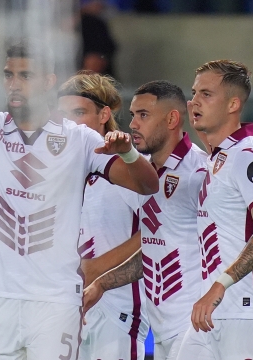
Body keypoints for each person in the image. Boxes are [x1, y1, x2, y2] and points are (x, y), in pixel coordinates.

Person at [0, 1, 159, 358]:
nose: (14, 85)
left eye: (25, 76)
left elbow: (147, 185)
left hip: (54, 300)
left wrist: (127, 152)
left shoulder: (80, 139)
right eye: (8, 75)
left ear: (48, 81)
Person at [82, 80, 209, 360]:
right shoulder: (143, 176)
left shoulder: (199, 172)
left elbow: (226, 244)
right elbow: (155, 246)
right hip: (162, 327)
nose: (134, 124)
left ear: (172, 119)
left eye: (143, 115)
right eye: (132, 116)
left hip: (197, 325)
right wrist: (102, 283)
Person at [175, 60, 253, 359]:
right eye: (194, 92)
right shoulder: (220, 155)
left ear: (233, 104)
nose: (195, 101)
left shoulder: (250, 156)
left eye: (207, 94)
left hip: (251, 313)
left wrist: (218, 286)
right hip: (213, 313)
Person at [57, 72, 150, 360]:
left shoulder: (128, 165)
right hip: (65, 308)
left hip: (115, 308)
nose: (70, 123)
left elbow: (160, 231)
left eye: (79, 113)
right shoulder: (57, 173)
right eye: (63, 115)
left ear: (104, 114)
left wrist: (96, 269)